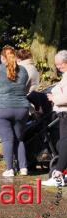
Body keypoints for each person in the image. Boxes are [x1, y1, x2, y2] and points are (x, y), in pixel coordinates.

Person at [0, 46, 29, 177]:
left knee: (7, 140)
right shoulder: (23, 71)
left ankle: (9, 169)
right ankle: (23, 167)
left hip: (2, 108)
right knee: (19, 139)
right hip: (22, 108)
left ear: (2, 58)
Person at [42, 50, 67, 187]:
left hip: (65, 113)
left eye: (60, 64)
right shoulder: (65, 76)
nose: (58, 67)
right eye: (57, 64)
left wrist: (54, 98)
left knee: (64, 143)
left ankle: (58, 174)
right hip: (63, 113)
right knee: (62, 143)